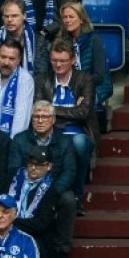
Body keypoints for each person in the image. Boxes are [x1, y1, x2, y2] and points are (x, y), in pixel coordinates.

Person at [35, 39, 98, 219]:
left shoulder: (85, 79)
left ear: (72, 60)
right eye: (54, 60)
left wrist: (52, 110)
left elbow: (83, 113)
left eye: (63, 60)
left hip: (78, 131)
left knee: (79, 143)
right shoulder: (43, 79)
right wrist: (71, 110)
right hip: (50, 132)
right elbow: (39, 109)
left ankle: (77, 195)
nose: (58, 64)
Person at [9, 101, 78, 258]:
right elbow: (13, 169)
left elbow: (69, 171)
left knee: (68, 200)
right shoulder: (20, 139)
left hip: (55, 188)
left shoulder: (64, 141)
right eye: (36, 116)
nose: (40, 120)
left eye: (45, 117)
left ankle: (61, 249)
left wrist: (51, 192)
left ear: (53, 119)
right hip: (26, 186)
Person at [3, 146, 59, 248]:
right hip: (3, 229)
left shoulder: (51, 189)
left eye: (38, 165)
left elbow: (40, 224)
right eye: (31, 163)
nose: (33, 167)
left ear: (49, 166)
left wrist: (9, 221)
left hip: (33, 236)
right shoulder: (13, 176)